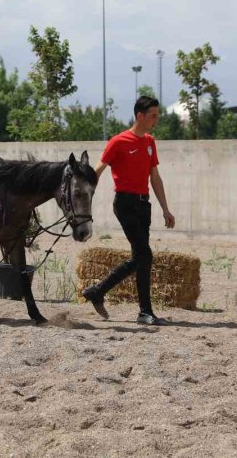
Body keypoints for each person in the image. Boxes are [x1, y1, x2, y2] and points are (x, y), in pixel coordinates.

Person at [82, 95, 176, 326]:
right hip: (125, 204)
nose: (156, 119)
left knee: (140, 257)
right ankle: (142, 310)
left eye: (157, 115)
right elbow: (99, 169)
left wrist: (165, 209)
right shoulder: (118, 141)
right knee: (145, 255)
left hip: (144, 204)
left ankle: (100, 292)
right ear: (139, 116)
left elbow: (155, 177)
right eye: (153, 115)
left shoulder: (150, 142)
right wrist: (83, 195)